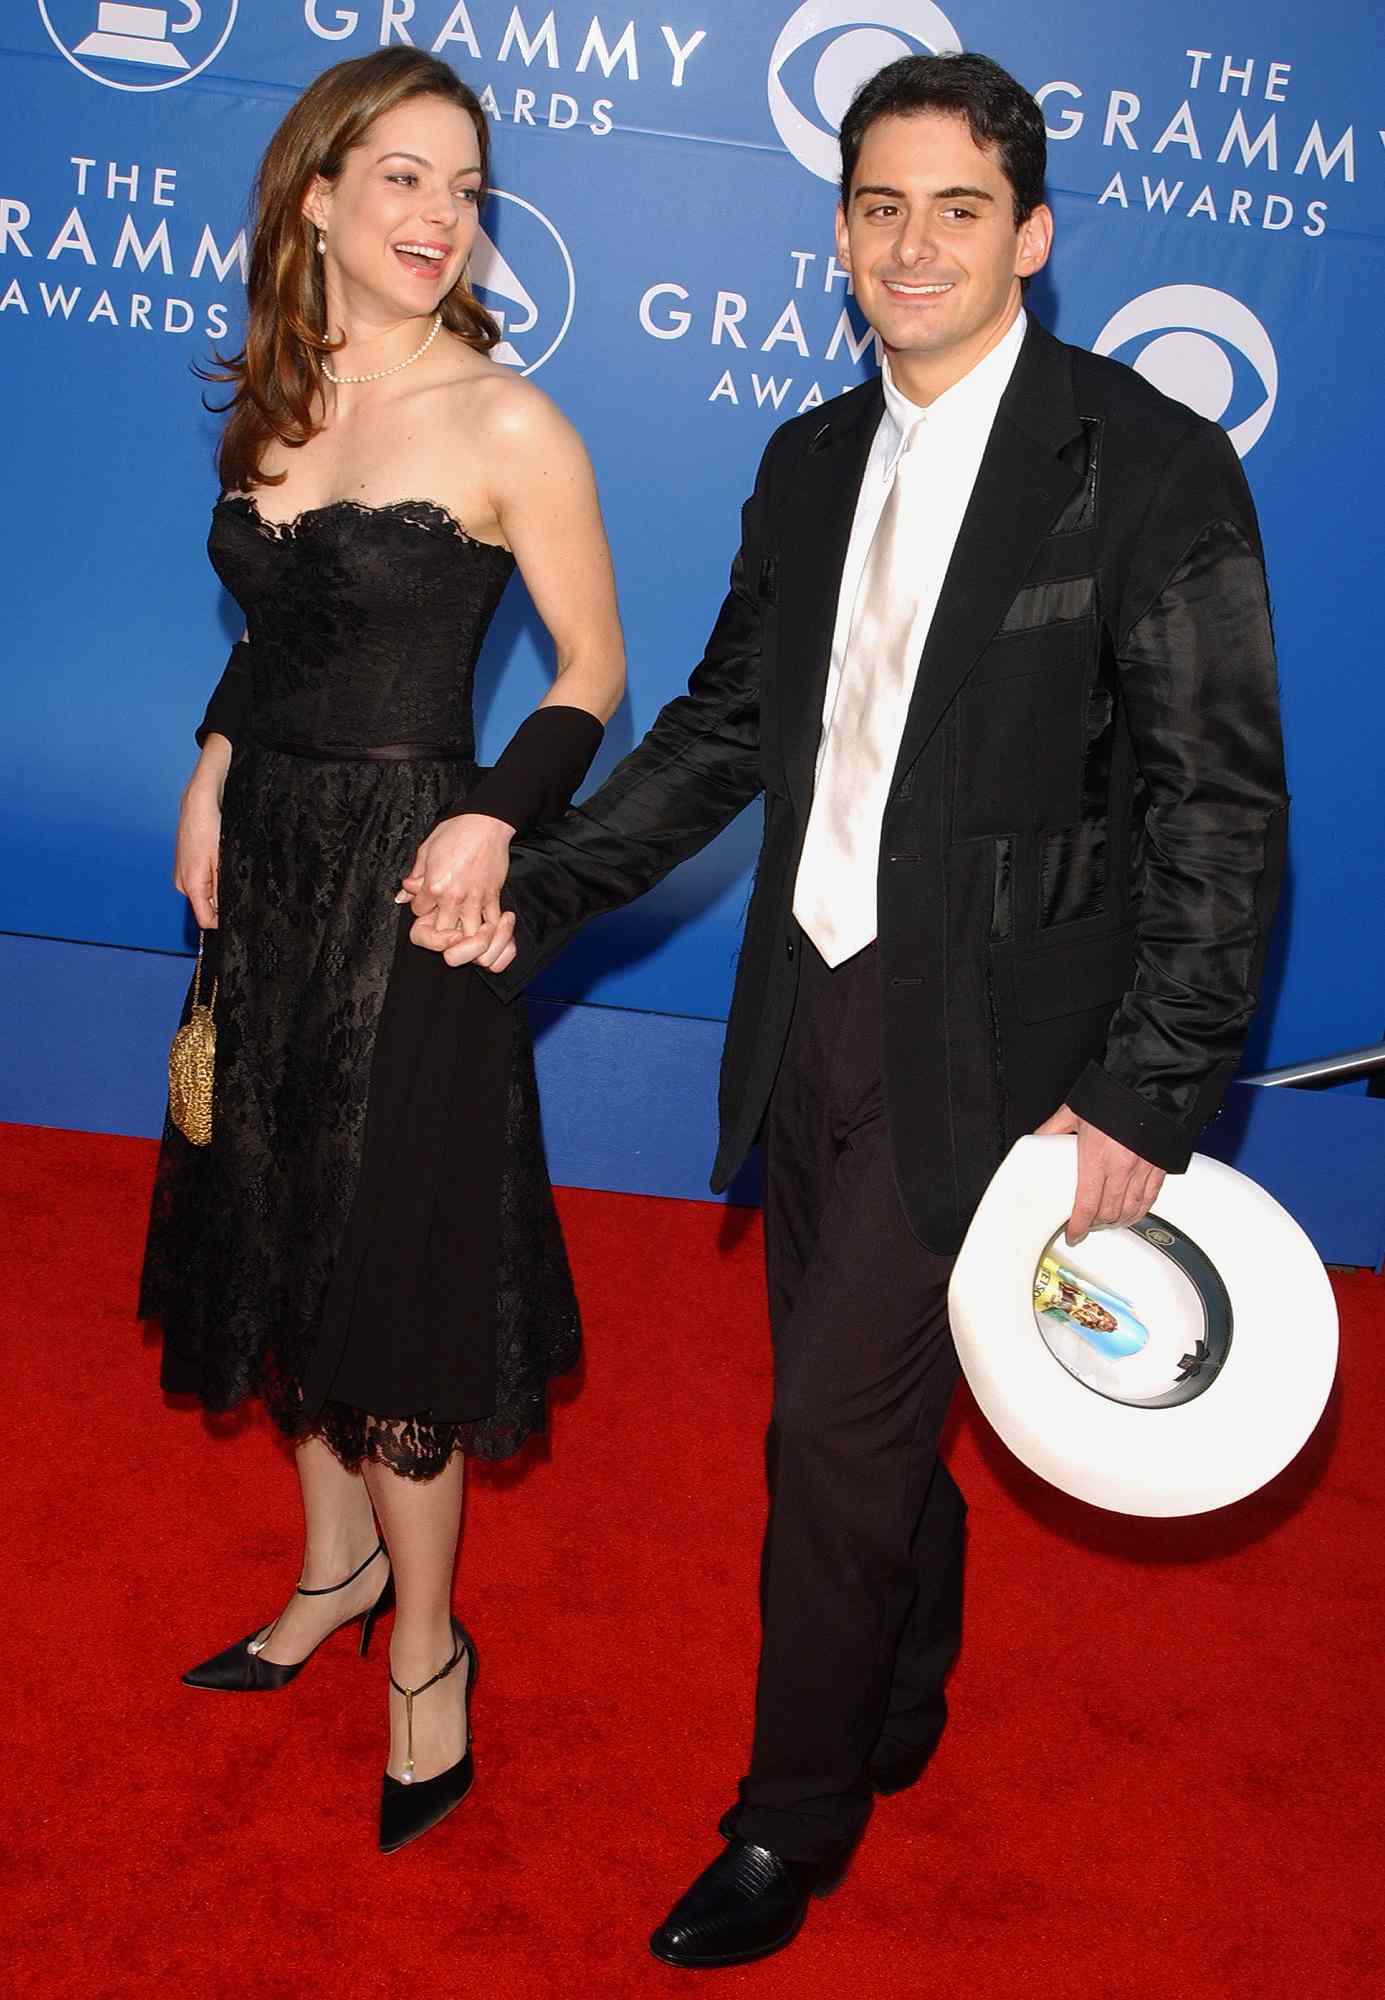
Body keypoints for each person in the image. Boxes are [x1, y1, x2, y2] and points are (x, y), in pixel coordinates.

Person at [414, 51, 1287, 1965]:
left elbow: (1219, 806)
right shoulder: (811, 458)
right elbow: (728, 727)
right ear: (836, 235)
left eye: (957, 210)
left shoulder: (1142, 464)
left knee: (823, 1435)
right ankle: (897, 1698)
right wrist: (546, 885)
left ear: (1031, 238)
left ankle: (786, 1820)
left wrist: (1148, 1090)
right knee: (870, 1417)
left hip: (1003, 1047)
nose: (914, 246)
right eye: (879, 208)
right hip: (803, 1004)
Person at [140, 47, 624, 1856]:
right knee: (267, 1219)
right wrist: (209, 763)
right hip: (266, 868)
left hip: (418, 889)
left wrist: (496, 813)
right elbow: (273, 636)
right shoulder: (275, 399)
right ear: (319, 202)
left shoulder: (510, 423)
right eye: (403, 179)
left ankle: (430, 1647)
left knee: (394, 1272)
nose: (440, 216)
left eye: (466, 186)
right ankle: (333, 1565)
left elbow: (590, 671)